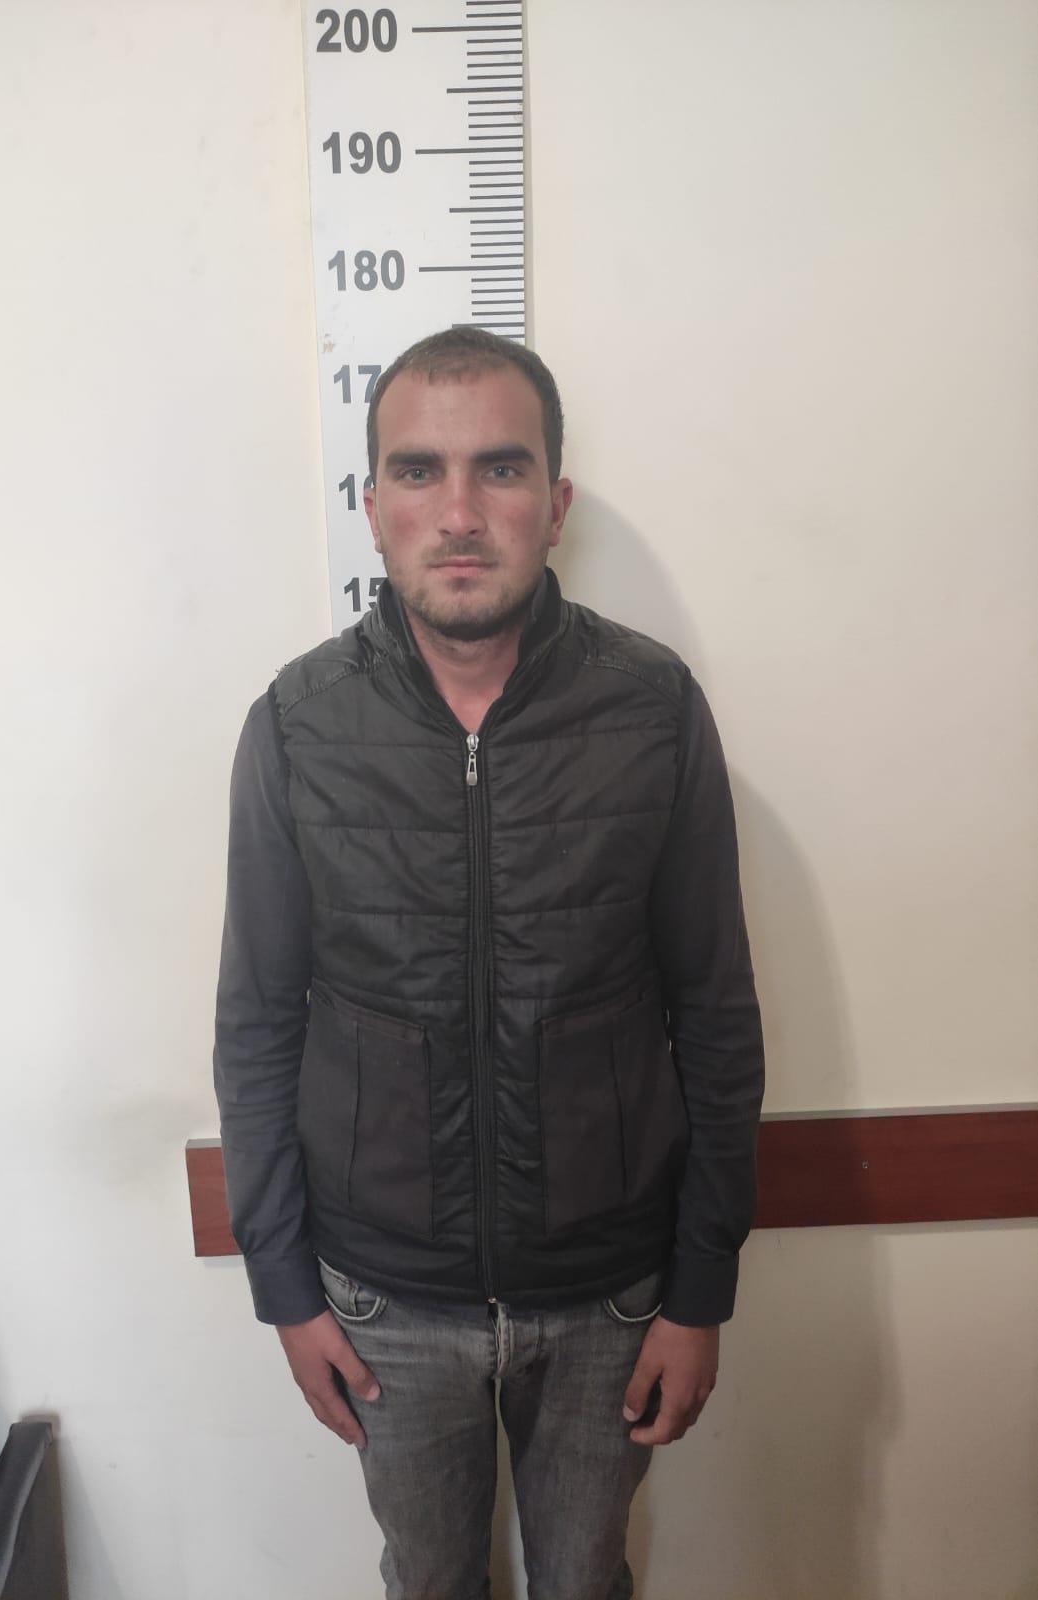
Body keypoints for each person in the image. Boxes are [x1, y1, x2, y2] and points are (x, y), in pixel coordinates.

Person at [213, 327, 765, 1600]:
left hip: (611, 1299)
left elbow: (714, 1014)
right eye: (418, 471)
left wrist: (700, 1291)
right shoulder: (296, 726)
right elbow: (257, 1023)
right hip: (382, 1304)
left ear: (554, 503)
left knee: (584, 1581)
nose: (458, 514)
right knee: (429, 1584)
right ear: (372, 506)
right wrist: (287, 1289)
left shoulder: (652, 709)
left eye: (499, 469)